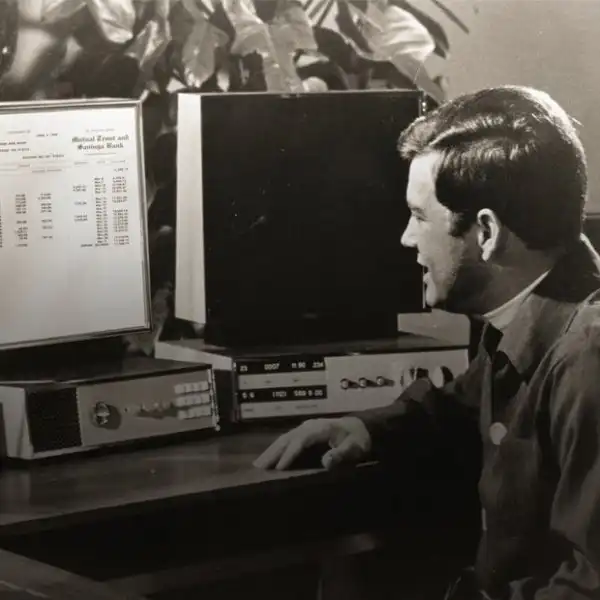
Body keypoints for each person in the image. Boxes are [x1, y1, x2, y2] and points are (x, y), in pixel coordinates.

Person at [253, 85, 600, 599]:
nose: (407, 238)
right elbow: (466, 403)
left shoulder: (587, 358)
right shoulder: (530, 312)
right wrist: (364, 428)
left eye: (419, 217)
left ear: (486, 233)